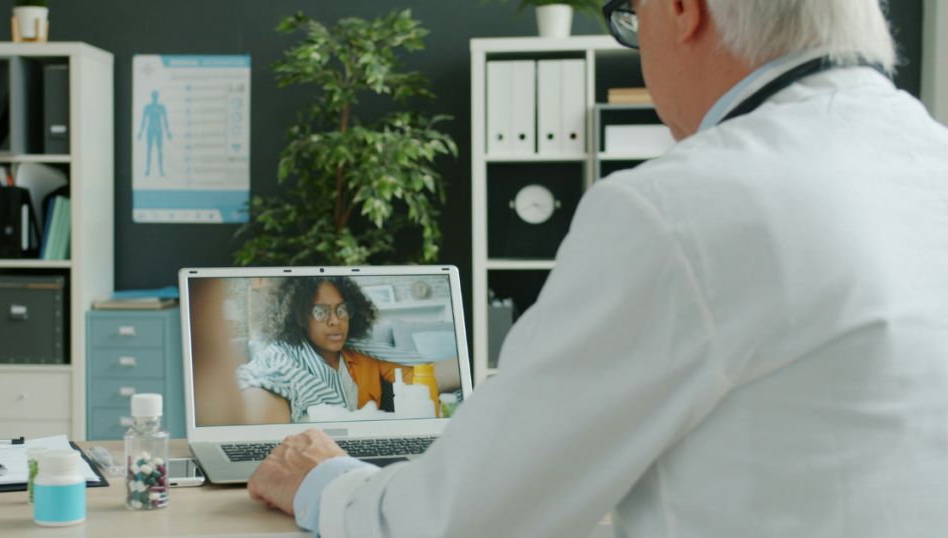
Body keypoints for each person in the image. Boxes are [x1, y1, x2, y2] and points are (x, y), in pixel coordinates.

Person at [247, 0, 948, 536]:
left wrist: (325, 481)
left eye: (630, 20)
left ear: (680, 9)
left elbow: (465, 519)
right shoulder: (931, 161)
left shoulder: (680, 208)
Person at [237, 277, 420, 424]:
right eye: (320, 312)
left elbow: (427, 377)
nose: (335, 320)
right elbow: (267, 383)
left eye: (341, 310)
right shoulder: (284, 359)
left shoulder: (366, 358)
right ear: (298, 317)